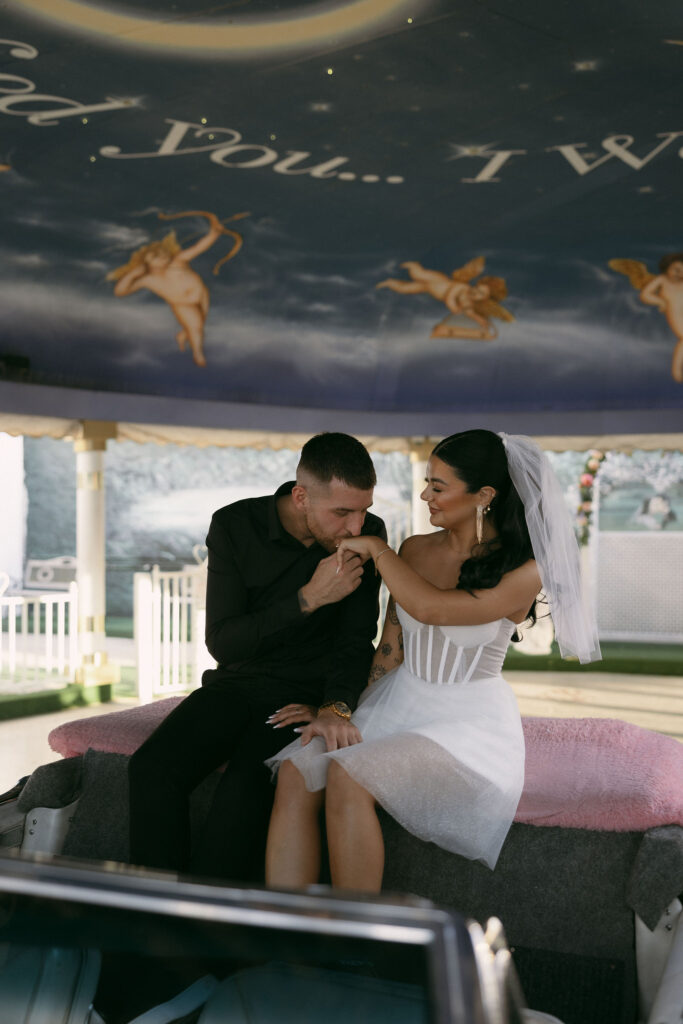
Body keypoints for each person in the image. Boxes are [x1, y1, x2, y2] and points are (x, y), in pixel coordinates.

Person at [265, 430, 601, 892]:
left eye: (438, 486)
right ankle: (286, 929)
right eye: (427, 481)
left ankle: (354, 948)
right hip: (397, 701)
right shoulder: (415, 550)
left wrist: (379, 551)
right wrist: (339, 710)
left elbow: (434, 609)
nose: (425, 494)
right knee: (297, 768)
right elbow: (390, 650)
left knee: (347, 774)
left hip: (465, 723)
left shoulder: (526, 570)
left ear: (484, 496)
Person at [128, 432, 387, 880]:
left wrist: (334, 706)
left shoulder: (369, 535)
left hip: (300, 699)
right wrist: (307, 598)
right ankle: (154, 927)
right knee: (151, 770)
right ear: (301, 496)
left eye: (363, 510)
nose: (355, 527)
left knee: (242, 794)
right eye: (342, 512)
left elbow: (356, 639)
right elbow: (223, 642)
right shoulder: (234, 524)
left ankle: (219, 940)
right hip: (234, 685)